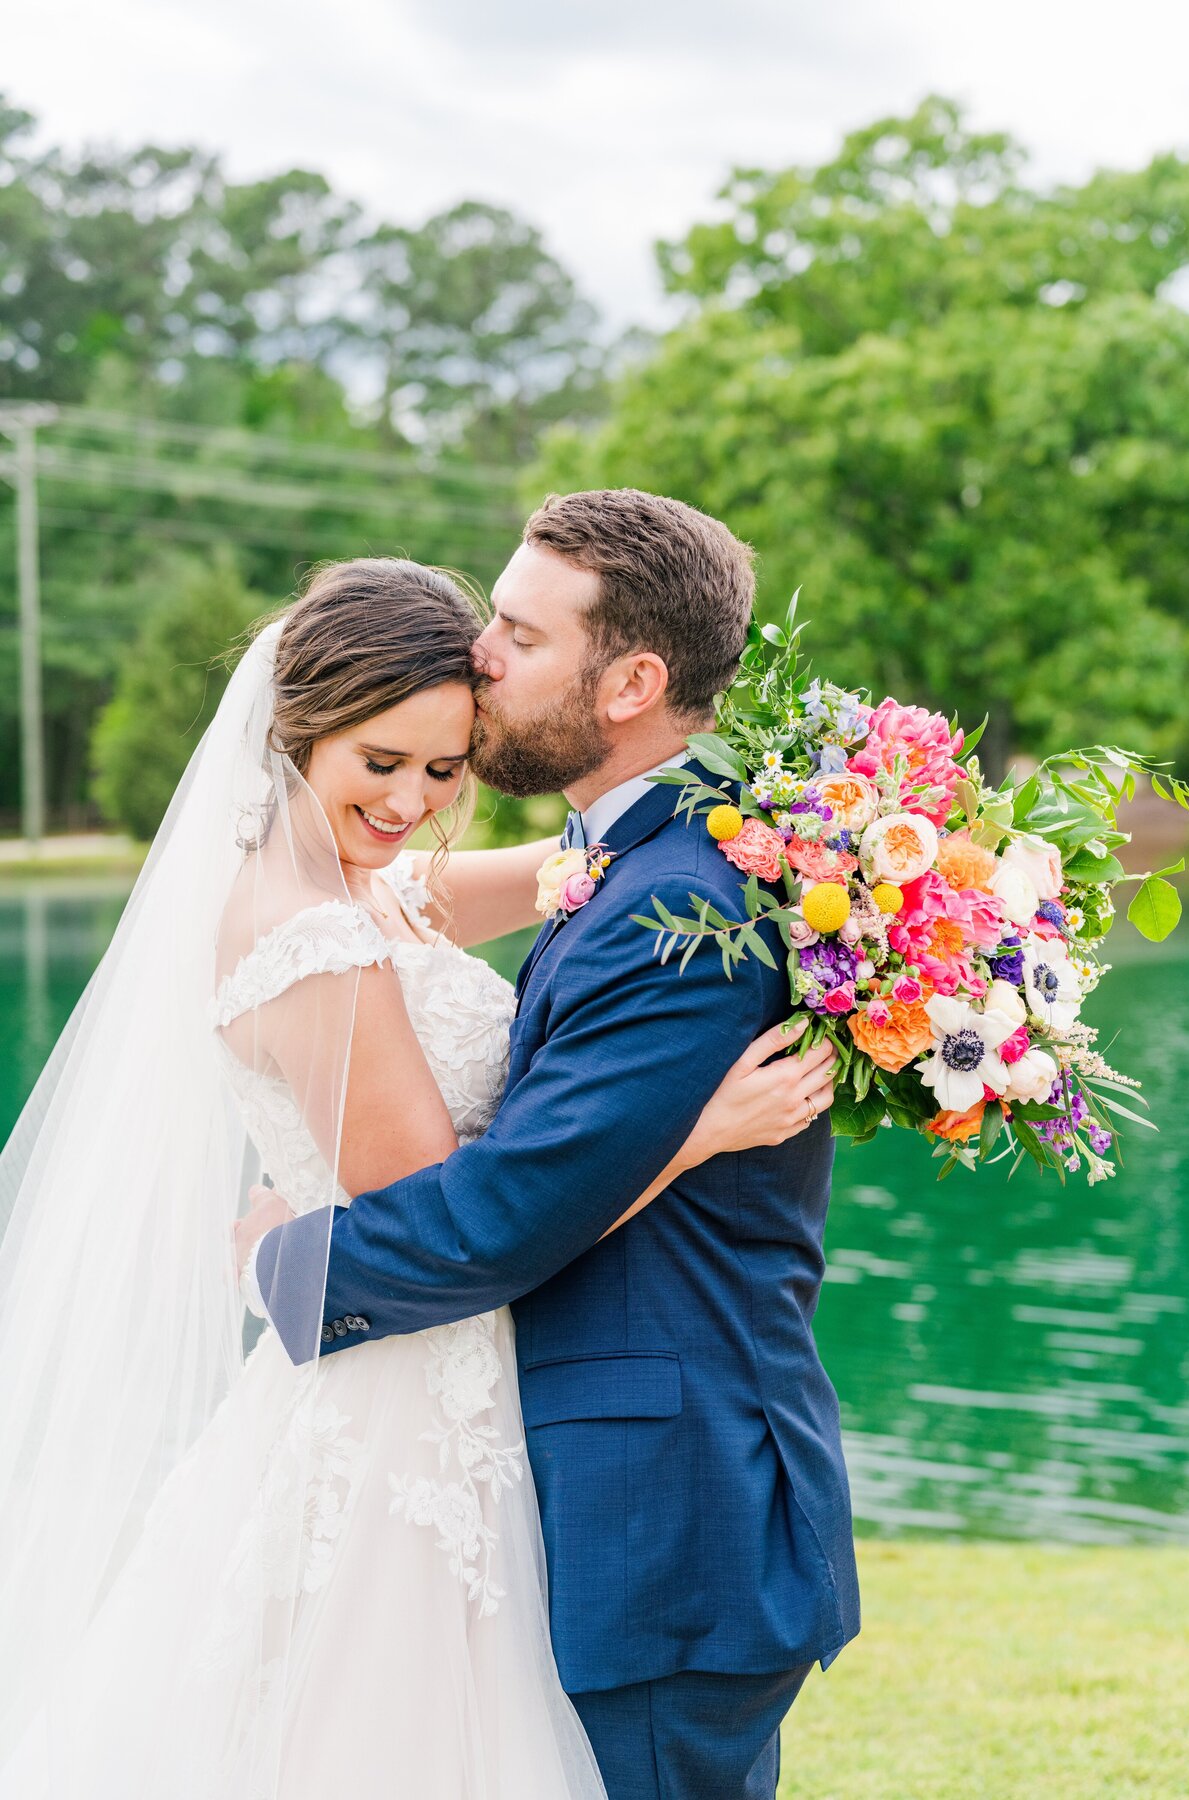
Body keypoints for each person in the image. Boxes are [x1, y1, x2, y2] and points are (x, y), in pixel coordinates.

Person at [0, 545, 837, 1799]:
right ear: (298, 738)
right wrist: (691, 1131)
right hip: (406, 1396)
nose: (409, 800)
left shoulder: (366, 888)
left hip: (457, 1381)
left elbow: (559, 880)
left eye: (444, 768)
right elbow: (471, 1215)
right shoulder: (313, 937)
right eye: (378, 764)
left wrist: (749, 834)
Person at [244, 491, 860, 1800]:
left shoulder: (681, 908)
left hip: (664, 1509)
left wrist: (282, 1269)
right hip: (553, 1473)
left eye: (517, 634)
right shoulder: (621, 854)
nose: (480, 656)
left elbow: (507, 1212)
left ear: (632, 680)